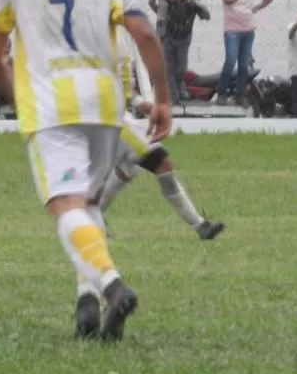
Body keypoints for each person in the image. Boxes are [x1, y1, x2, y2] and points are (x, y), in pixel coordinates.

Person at [0, 0, 173, 340]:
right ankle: (86, 301)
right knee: (87, 205)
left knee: (65, 204)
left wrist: (18, 97)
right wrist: (162, 99)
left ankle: (110, 285)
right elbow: (144, 32)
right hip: (105, 105)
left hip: (51, 106)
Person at [95, 18, 225, 243]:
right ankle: (200, 225)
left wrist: (141, 104)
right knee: (161, 163)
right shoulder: (96, 38)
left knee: (127, 169)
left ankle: (93, 217)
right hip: (110, 120)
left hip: (122, 117)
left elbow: (123, 86)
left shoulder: (122, 36)